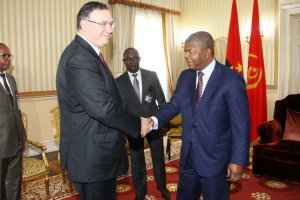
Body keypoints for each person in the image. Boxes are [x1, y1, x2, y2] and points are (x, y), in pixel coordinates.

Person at [56, 2, 151, 200]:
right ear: (84, 24)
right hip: (91, 157)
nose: (110, 29)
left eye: (112, 23)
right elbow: (103, 109)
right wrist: (137, 123)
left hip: (97, 153)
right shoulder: (79, 58)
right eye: (103, 24)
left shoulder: (89, 53)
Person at [147, 31, 250, 200]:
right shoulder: (185, 76)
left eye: (191, 52)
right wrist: (153, 121)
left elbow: (241, 124)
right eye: (185, 51)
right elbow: (174, 106)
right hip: (188, 157)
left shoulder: (231, 79)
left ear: (207, 52)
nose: (186, 56)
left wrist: (237, 161)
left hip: (216, 161)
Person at [116, 48, 170, 200]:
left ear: (139, 59)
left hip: (153, 125)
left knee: (158, 159)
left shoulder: (151, 76)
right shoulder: (118, 83)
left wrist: (161, 122)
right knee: (137, 162)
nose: (132, 61)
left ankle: (162, 186)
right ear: (124, 62)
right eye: (128, 59)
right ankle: (140, 193)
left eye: (134, 58)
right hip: (134, 128)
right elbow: (119, 109)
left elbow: (162, 100)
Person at [0, 43, 27, 200]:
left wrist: (22, 136)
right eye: (4, 55)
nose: (8, 59)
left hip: (16, 140)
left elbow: (16, 109)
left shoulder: (11, 79)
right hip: (1, 143)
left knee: (15, 180)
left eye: (9, 56)